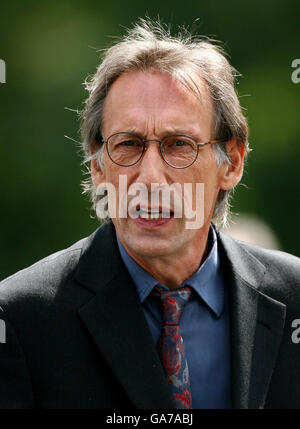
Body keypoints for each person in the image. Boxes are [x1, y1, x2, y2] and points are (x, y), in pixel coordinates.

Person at [0, 18, 299, 410]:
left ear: (232, 163)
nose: (151, 177)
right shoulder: (21, 320)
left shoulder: (293, 299)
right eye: (128, 144)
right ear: (97, 165)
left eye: (179, 144)